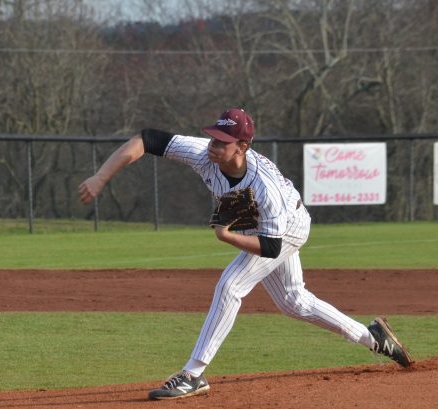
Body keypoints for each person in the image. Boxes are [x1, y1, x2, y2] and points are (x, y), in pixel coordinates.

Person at [78, 108, 413, 400]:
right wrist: (100, 177)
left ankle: (193, 373)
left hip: (288, 228)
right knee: (293, 301)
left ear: (242, 146)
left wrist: (227, 236)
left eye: (223, 141)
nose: (213, 145)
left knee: (231, 285)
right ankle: (373, 338)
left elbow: (272, 247)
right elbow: (147, 139)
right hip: (260, 228)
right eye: (213, 137)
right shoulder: (203, 153)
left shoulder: (265, 188)